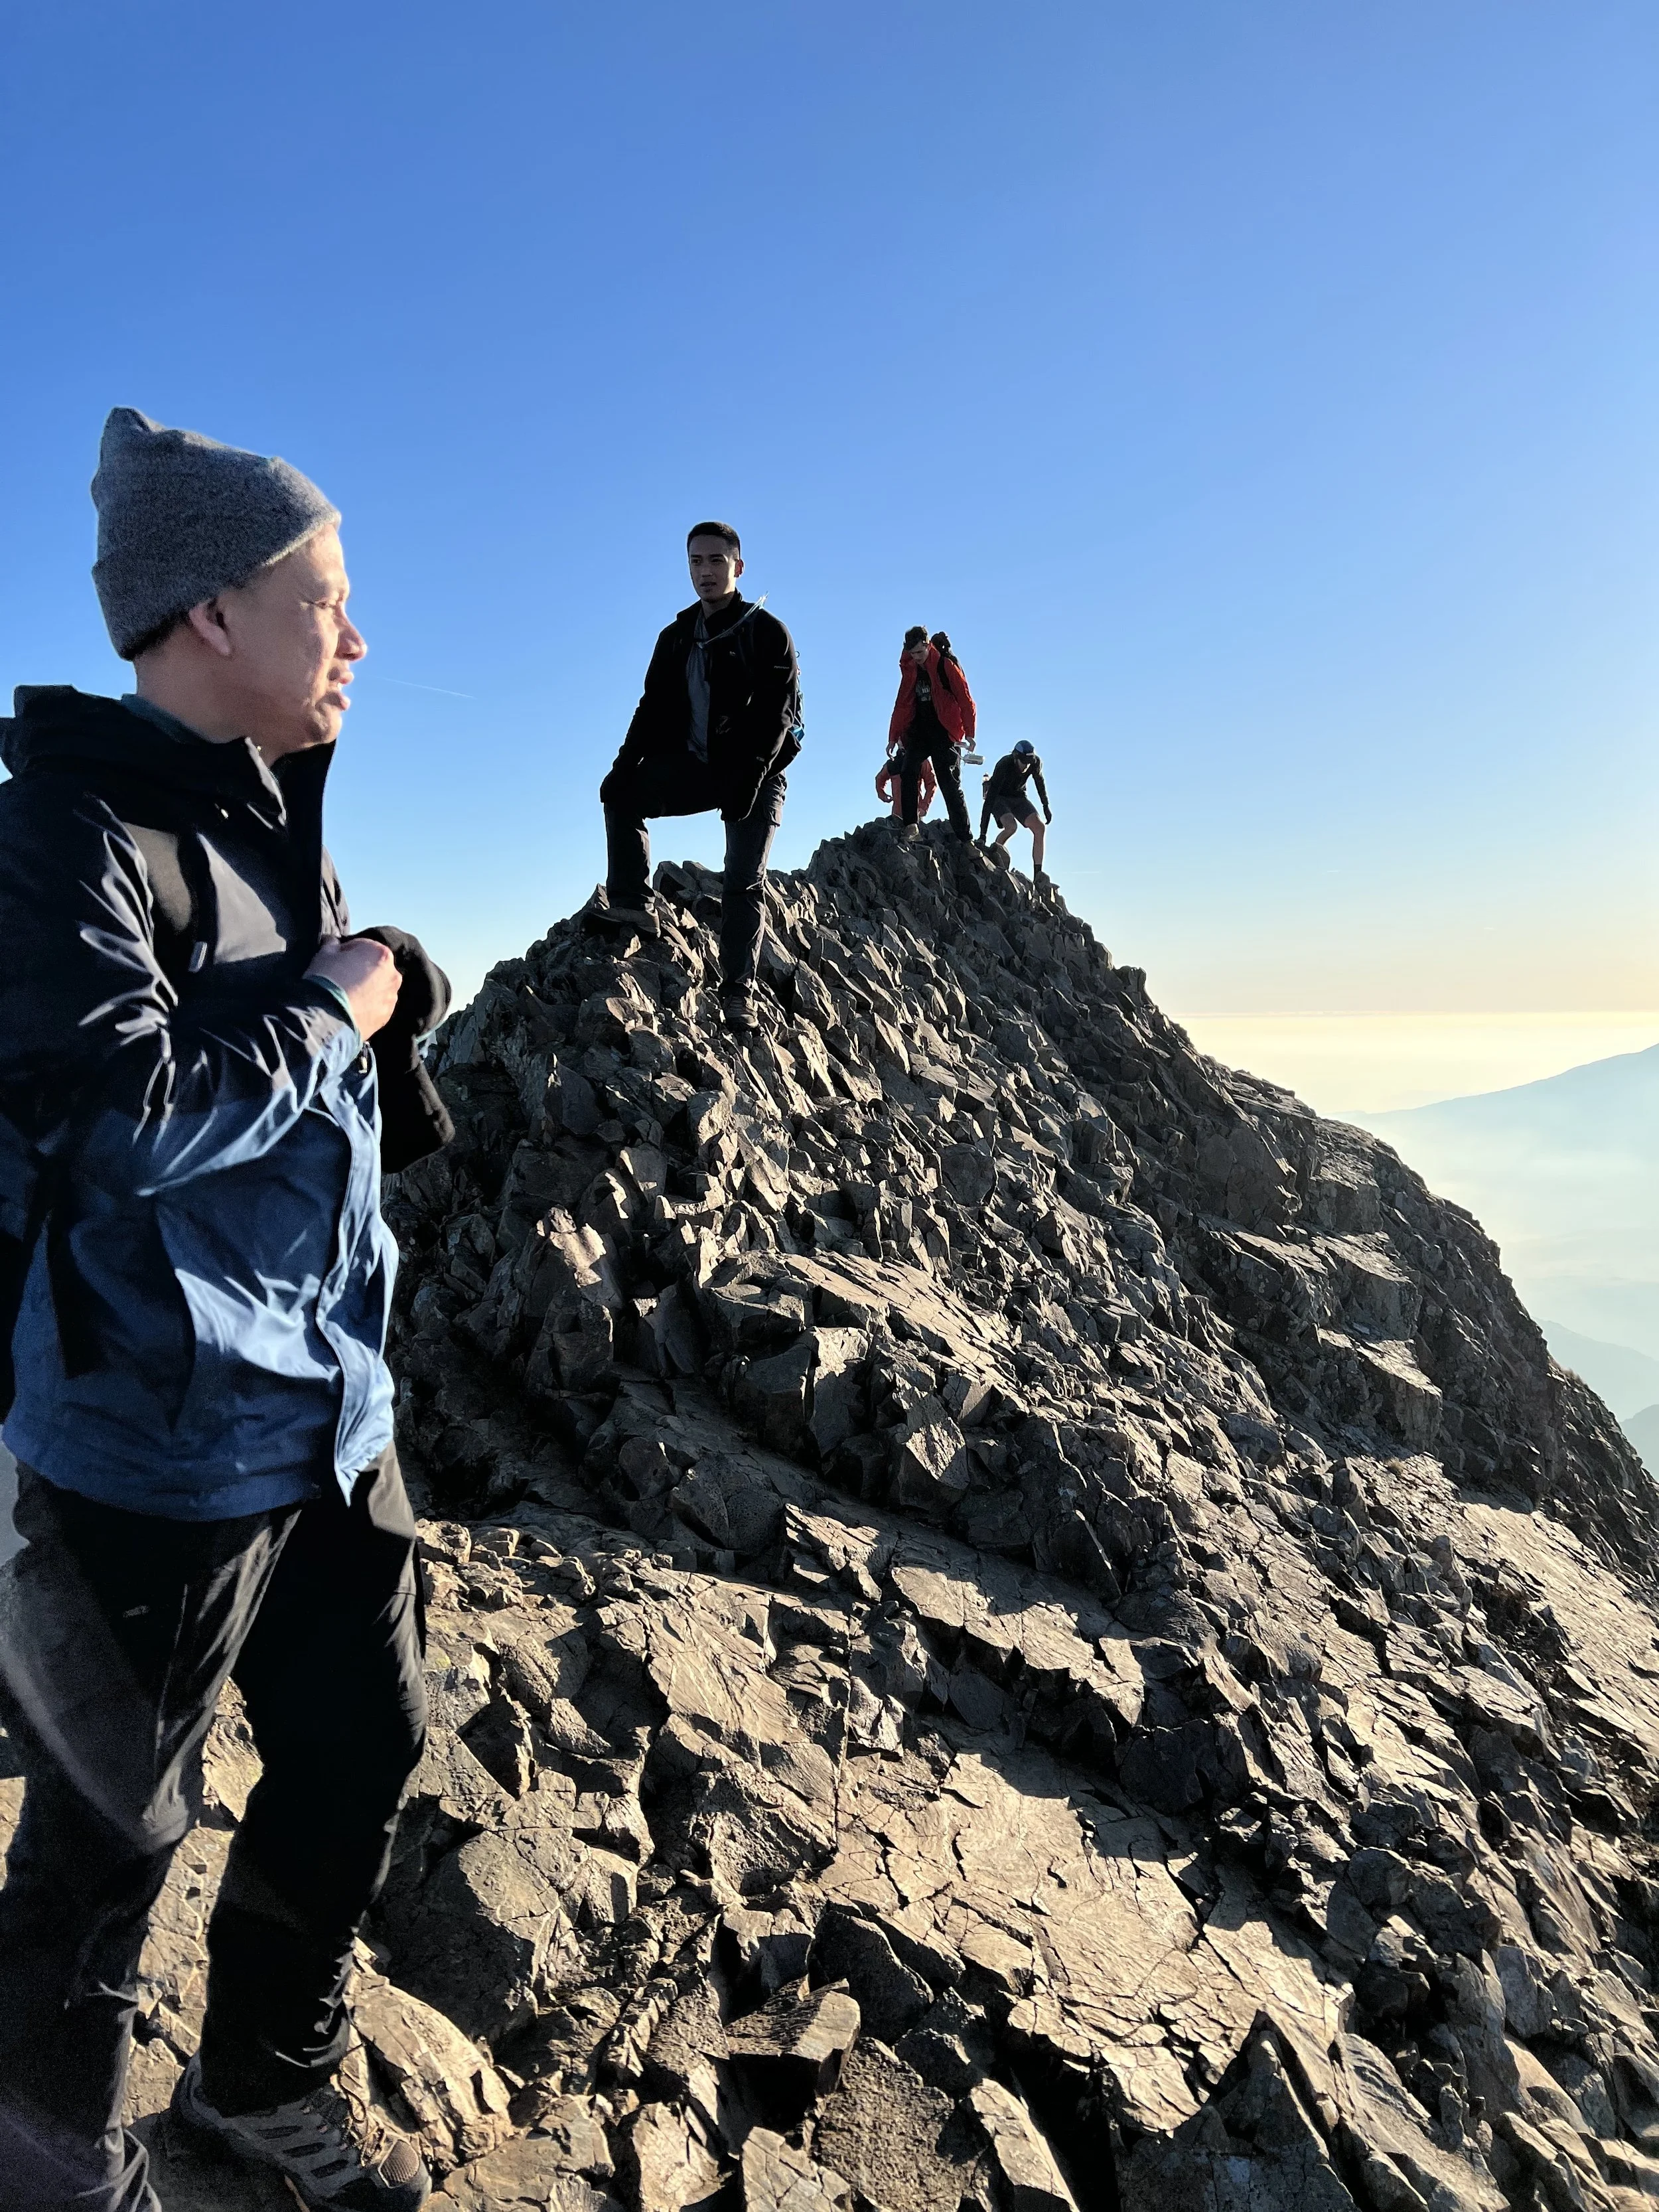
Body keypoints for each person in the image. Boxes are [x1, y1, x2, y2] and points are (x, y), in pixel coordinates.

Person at [0, 409, 440, 2212]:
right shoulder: (60, 830)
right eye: (323, 598)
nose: (356, 634)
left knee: (361, 1746)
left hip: (322, 1414)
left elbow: (273, 1063)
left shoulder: (269, 809)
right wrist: (330, 1011)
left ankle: (256, 2101)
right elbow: (111, 1122)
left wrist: (374, 1001)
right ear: (206, 615)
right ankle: (56, 2178)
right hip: (145, 1453)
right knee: (106, 1850)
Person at [595, 522, 802, 1033]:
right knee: (622, 798)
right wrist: (624, 767)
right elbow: (650, 708)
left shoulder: (768, 633)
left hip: (759, 771)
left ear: (738, 566)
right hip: (699, 766)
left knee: (743, 879)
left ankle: (738, 995)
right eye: (695, 562)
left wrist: (750, 779)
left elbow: (778, 716)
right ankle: (632, 903)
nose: (705, 572)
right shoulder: (676, 636)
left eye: (715, 560)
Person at [889, 626, 972, 843]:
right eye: (911, 653)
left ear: (928, 645)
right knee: (908, 771)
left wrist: (970, 733)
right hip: (919, 730)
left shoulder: (945, 665)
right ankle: (911, 826)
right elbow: (902, 703)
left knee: (949, 783)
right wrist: (893, 736)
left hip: (944, 731)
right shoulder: (910, 668)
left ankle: (965, 839)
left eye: (918, 652)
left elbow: (965, 699)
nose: (915, 657)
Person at [979, 738, 1053, 880]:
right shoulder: (1004, 765)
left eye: (1028, 763)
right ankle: (993, 853)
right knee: (1011, 827)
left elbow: (1039, 783)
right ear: (1015, 758)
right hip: (999, 797)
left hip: (1019, 797)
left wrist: (1046, 806)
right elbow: (989, 801)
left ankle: (1038, 874)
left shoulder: (1034, 763)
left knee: (1040, 828)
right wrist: (983, 835)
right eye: (1023, 762)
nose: (1026, 766)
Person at [875, 742, 934, 820]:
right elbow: (879, 779)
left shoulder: (921, 760)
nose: (902, 739)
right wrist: (882, 795)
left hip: (915, 813)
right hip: (897, 815)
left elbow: (931, 784)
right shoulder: (892, 764)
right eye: (899, 737)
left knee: (915, 831)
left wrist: (924, 806)